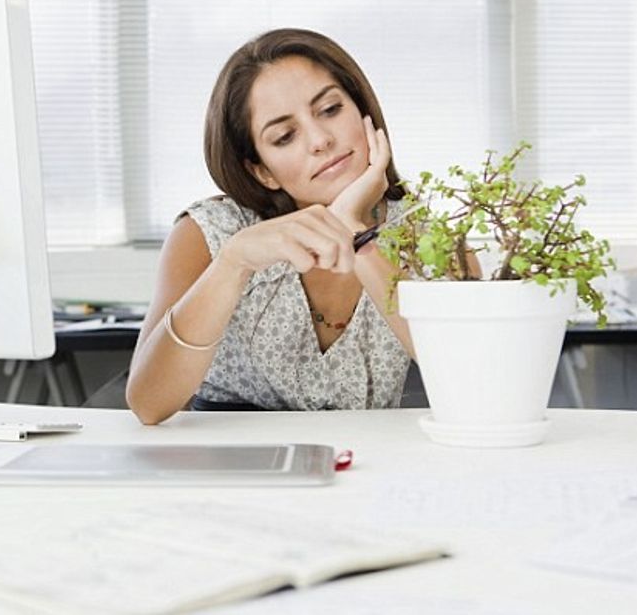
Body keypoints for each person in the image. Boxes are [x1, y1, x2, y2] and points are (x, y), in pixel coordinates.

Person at [126, 28, 418, 425]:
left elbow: (468, 375)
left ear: (363, 112)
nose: (319, 140)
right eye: (284, 136)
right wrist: (233, 263)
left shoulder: (425, 233)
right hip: (231, 471)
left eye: (330, 110)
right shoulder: (209, 232)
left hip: (368, 467)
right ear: (263, 171)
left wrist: (353, 227)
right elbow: (148, 404)